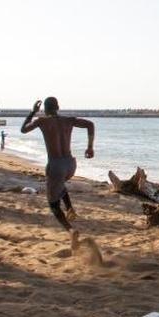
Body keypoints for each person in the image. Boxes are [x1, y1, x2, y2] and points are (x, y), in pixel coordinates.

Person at [21, 97, 94, 231]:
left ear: (45, 109)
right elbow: (90, 124)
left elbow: (23, 129)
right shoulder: (68, 120)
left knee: (53, 203)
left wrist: (32, 112)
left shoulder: (42, 121)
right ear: (58, 107)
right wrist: (90, 147)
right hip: (71, 165)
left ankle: (70, 231)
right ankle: (69, 208)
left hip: (56, 165)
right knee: (59, 184)